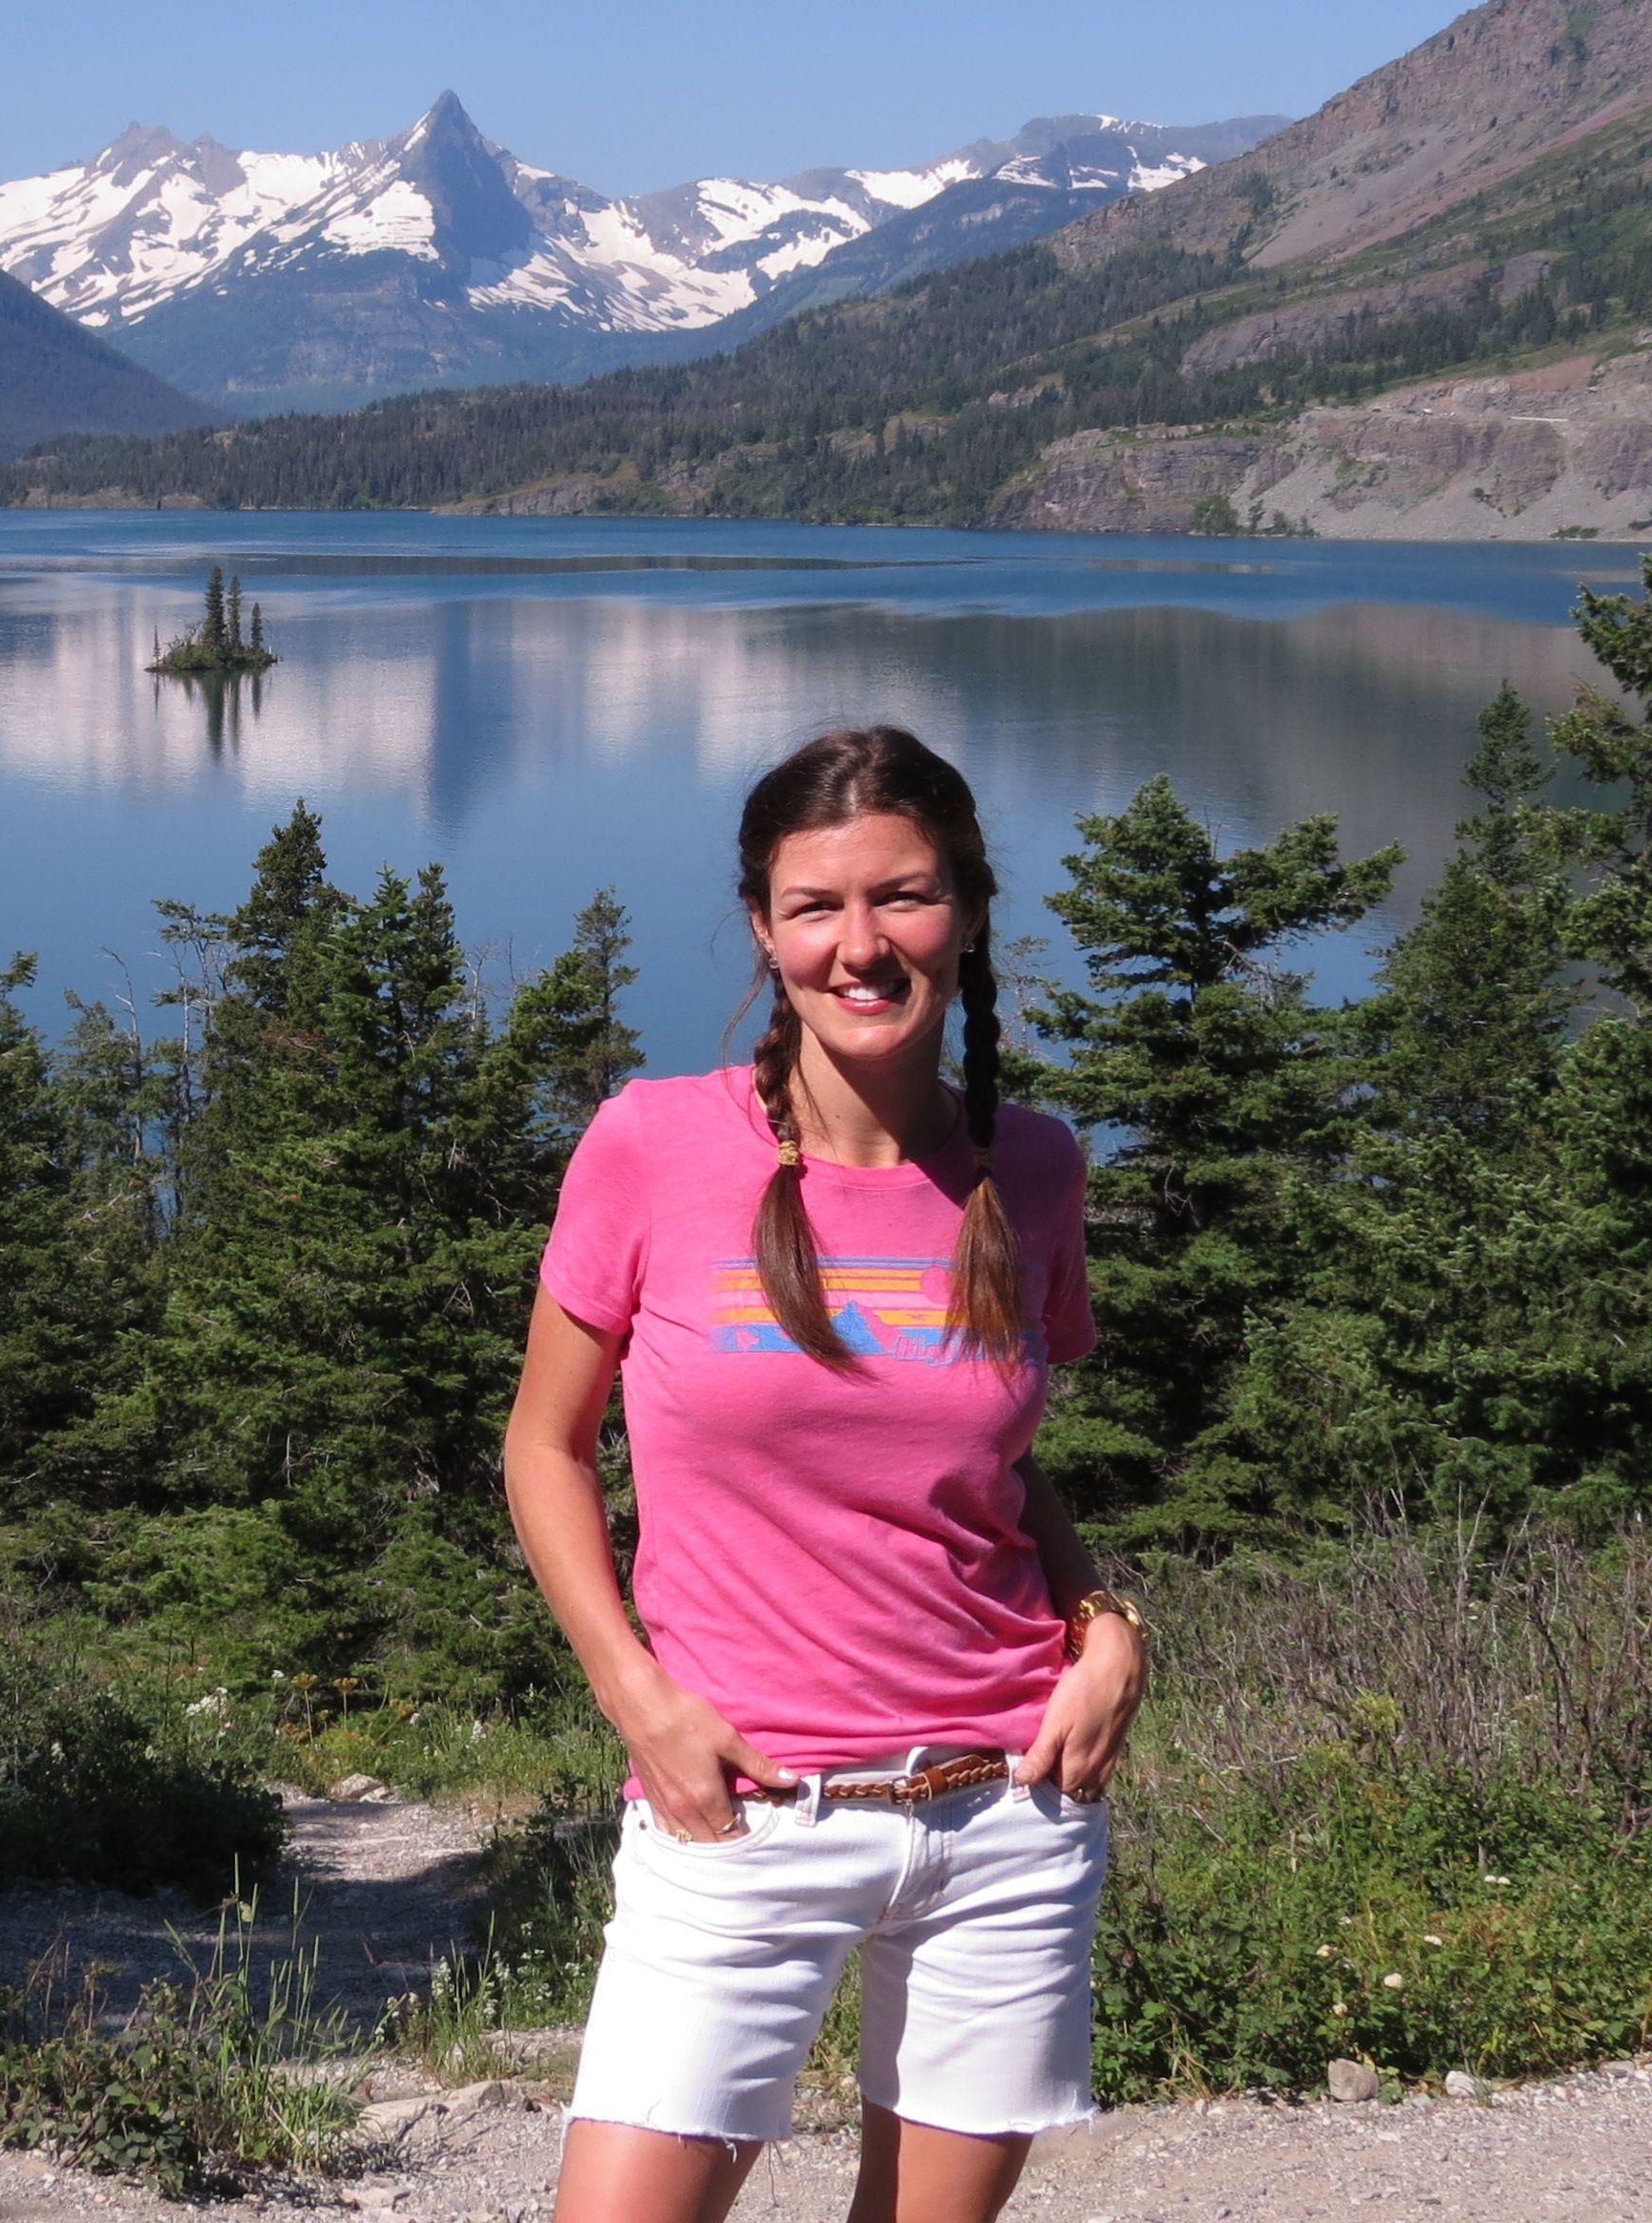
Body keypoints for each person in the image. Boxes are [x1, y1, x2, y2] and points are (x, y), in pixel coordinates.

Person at [504, 726, 1146, 2223]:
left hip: (1007, 1810)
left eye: (903, 897)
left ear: (969, 912)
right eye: (816, 907)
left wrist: (1103, 1619)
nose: (861, 945)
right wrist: (638, 1697)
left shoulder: (1034, 1169)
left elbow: (999, 1464)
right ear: (764, 929)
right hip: (741, 1803)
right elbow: (542, 1446)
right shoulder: (654, 1145)